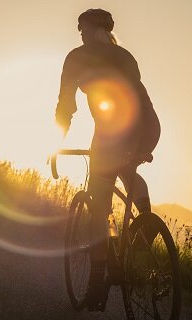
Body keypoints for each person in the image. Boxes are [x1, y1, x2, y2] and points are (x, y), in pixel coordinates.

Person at [54, 9, 161, 311]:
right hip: (146, 124)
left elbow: (66, 105)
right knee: (127, 170)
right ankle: (145, 223)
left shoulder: (77, 57)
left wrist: (56, 142)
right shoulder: (125, 56)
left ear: (94, 28)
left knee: (98, 205)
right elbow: (138, 99)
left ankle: (97, 282)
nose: (80, 33)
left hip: (111, 131)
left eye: (82, 28)